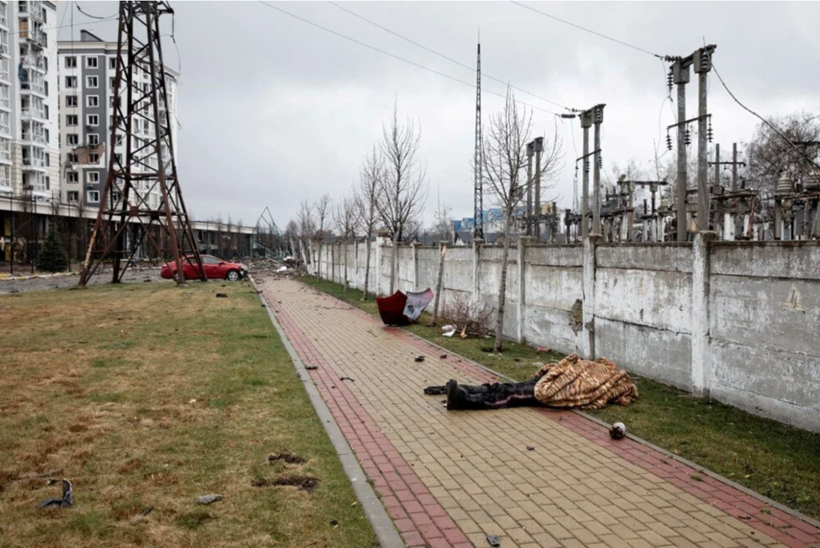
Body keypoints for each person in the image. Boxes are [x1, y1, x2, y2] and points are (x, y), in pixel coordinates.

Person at [430, 353, 639, 411]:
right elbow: (584, 367)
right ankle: (465, 390)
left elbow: (599, 392)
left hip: (559, 390)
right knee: (512, 388)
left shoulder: (619, 383)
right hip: (558, 380)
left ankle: (465, 400)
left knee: (514, 395)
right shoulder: (606, 369)